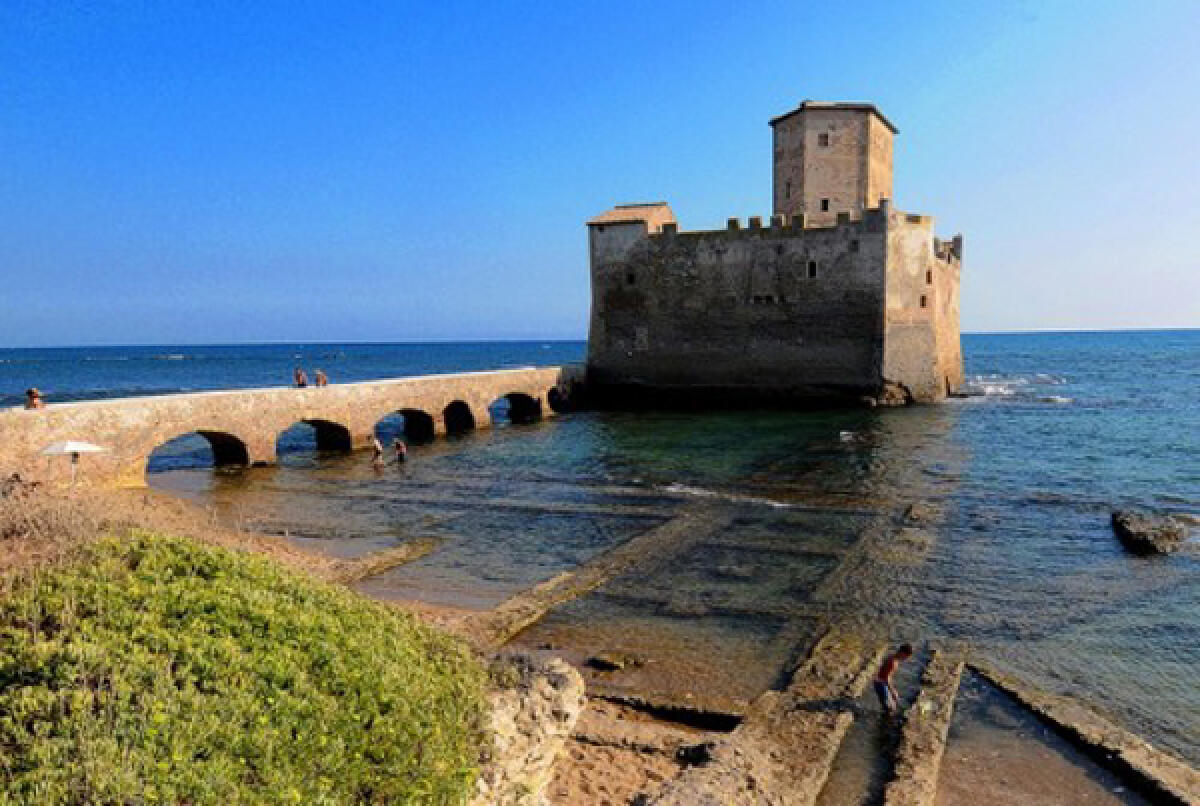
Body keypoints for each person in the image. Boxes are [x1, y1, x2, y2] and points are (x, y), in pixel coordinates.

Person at [873, 643, 914, 715]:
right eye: (906, 656)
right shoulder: (893, 662)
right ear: (902, 653)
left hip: (879, 682)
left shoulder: (892, 657)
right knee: (890, 708)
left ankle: (885, 714)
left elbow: (885, 673)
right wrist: (893, 691)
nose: (906, 659)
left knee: (890, 706)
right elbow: (887, 678)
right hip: (881, 685)